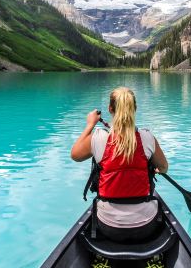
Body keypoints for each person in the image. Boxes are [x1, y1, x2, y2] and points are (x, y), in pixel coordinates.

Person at [70, 87, 169, 243]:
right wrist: (154, 169)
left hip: (108, 226)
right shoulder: (147, 137)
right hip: (145, 226)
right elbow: (164, 168)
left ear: (110, 109)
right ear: (135, 109)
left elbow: (75, 155)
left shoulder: (98, 137)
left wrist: (90, 124)